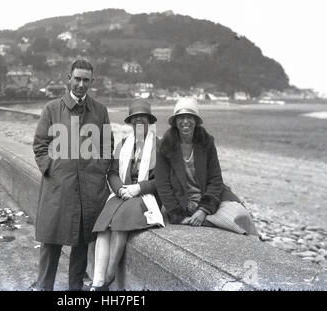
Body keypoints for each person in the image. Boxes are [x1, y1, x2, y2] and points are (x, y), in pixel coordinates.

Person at [32, 59, 113, 291]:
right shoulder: (51, 109)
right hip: (58, 187)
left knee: (81, 241)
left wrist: (98, 172)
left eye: (85, 80)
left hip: (89, 188)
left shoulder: (100, 111)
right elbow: (40, 146)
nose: (80, 84)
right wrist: (53, 170)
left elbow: (107, 145)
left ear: (92, 82)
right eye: (77, 78)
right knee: (51, 241)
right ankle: (44, 287)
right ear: (68, 78)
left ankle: (75, 290)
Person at [90, 101, 164, 291]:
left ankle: (110, 273)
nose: (139, 121)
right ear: (130, 123)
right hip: (123, 194)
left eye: (143, 118)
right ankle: (98, 282)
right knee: (103, 224)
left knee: (121, 219)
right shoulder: (123, 145)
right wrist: (120, 189)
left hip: (147, 196)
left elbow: (164, 179)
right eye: (135, 119)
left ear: (149, 121)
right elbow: (112, 172)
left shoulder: (160, 146)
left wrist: (138, 188)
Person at [156, 97, 258, 235]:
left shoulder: (206, 142)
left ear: (196, 121)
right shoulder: (165, 146)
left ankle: (205, 219)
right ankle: (204, 221)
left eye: (190, 117)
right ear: (175, 121)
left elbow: (216, 179)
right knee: (223, 225)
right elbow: (163, 184)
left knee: (241, 216)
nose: (185, 121)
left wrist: (203, 210)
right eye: (181, 117)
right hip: (181, 201)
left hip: (207, 197)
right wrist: (177, 216)